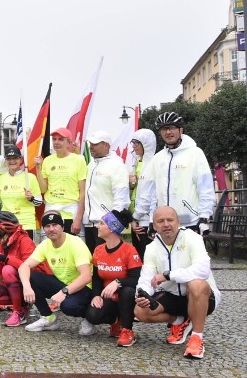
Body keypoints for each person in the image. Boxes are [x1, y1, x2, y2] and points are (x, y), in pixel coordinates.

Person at [135, 206, 221, 359]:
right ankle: (181, 320)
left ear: (178, 222)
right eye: (160, 221)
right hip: (173, 295)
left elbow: (203, 270)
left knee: (196, 284)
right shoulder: (151, 248)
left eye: (170, 220)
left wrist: (169, 275)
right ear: (154, 226)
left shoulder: (193, 238)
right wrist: (142, 293)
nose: (166, 224)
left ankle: (196, 338)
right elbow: (146, 278)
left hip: (201, 296)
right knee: (140, 311)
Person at [133, 112, 214, 235]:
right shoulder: (158, 158)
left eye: (172, 128)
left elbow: (205, 187)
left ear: (180, 130)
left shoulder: (195, 153)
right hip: (164, 224)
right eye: (164, 129)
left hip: (189, 222)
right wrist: (151, 220)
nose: (168, 132)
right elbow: (154, 194)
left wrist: (204, 217)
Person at [20, 211, 93, 333]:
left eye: (55, 225)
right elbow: (24, 266)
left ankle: (89, 318)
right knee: (31, 277)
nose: (51, 229)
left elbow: (86, 276)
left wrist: (64, 292)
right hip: (63, 284)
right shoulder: (45, 244)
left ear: (62, 227)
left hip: (83, 287)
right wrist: (26, 287)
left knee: (68, 306)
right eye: (47, 226)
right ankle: (48, 318)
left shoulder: (75, 243)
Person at [83, 209, 142, 346]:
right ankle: (116, 322)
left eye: (102, 223)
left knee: (128, 291)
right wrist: (96, 295)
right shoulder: (99, 249)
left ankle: (127, 330)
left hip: (126, 296)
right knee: (93, 315)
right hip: (109, 296)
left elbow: (137, 279)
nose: (97, 226)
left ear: (111, 228)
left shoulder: (129, 250)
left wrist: (118, 282)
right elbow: (97, 277)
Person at [0, 211, 42, 327]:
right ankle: (23, 306)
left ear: (2, 229)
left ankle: (18, 311)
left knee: (8, 270)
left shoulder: (25, 241)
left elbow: (32, 268)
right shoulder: (2, 243)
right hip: (16, 284)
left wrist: (7, 259)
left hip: (32, 284)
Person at [82, 131, 130, 253]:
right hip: (89, 224)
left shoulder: (117, 165)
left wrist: (110, 225)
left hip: (106, 227)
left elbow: (122, 199)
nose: (91, 147)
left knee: (106, 265)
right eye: (90, 144)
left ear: (106, 146)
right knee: (93, 264)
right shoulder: (92, 163)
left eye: (95, 144)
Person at [34, 127, 87, 235]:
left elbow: (83, 192)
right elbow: (43, 189)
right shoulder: (48, 160)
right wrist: (38, 168)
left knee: (72, 247)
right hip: (51, 208)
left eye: (61, 139)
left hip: (71, 209)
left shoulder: (79, 160)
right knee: (51, 247)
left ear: (69, 143)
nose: (56, 142)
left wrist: (78, 218)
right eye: (54, 139)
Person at [0, 146, 42, 238]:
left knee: (27, 252)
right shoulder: (0, 179)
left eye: (15, 158)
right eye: (9, 158)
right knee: (9, 252)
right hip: (7, 224)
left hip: (26, 224)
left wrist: (31, 198)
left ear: (20, 159)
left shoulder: (30, 177)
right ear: (5, 161)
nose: (12, 161)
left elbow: (39, 202)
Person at [127, 129, 156, 258]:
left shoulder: (153, 164)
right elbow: (136, 191)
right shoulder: (137, 163)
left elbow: (147, 196)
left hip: (145, 220)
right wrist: (131, 185)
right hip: (137, 220)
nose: (133, 146)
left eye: (136, 143)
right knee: (139, 257)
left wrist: (135, 217)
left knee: (147, 259)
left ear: (146, 144)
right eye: (132, 143)